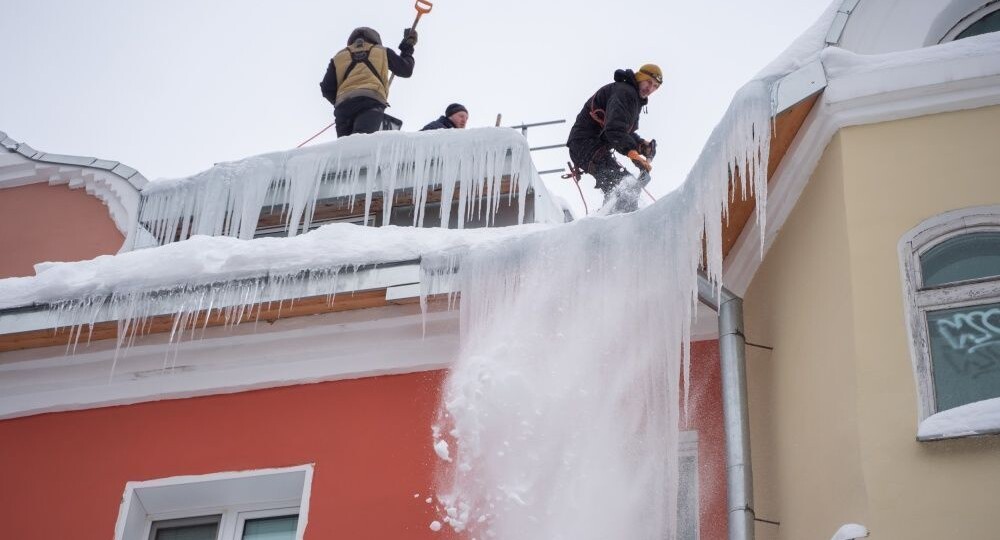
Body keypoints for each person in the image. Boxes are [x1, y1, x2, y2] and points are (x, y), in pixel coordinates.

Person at [566, 64, 662, 212]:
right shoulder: (625, 92)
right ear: (640, 77)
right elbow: (614, 130)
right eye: (649, 82)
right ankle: (614, 222)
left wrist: (641, 145)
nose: (650, 89)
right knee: (623, 185)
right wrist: (632, 153)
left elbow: (624, 132)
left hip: (590, 145)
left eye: (655, 87)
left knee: (624, 187)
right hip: (585, 144)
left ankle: (609, 217)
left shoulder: (632, 98)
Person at [320, 26, 417, 137]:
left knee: (345, 149)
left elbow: (326, 88)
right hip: (371, 103)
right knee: (360, 146)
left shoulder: (339, 57)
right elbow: (405, 69)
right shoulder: (382, 51)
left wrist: (342, 100)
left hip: (344, 107)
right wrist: (408, 47)